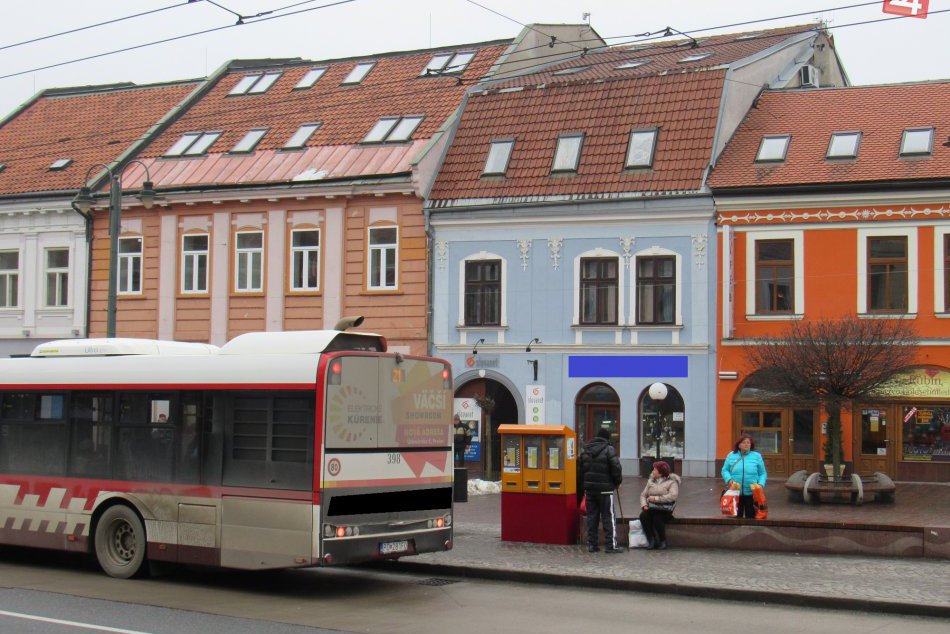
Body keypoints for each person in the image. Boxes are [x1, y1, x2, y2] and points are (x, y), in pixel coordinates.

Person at [579, 427, 623, 554]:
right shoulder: (609, 449)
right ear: (607, 438)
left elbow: (581, 470)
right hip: (605, 490)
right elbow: (616, 468)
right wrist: (617, 482)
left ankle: (592, 544)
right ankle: (611, 545)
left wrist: (586, 485)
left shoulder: (586, 450)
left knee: (592, 517)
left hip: (590, 490)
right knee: (608, 517)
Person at [721, 434, 767, 519]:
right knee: (735, 518)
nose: (746, 444)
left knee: (751, 517)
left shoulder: (756, 456)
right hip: (735, 493)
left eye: (748, 443)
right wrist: (729, 479)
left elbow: (762, 473)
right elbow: (725, 470)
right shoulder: (731, 455)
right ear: (739, 445)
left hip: (752, 493)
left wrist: (761, 484)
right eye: (744, 442)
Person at [639, 461, 680, 550]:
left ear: (661, 472)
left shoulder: (672, 482)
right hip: (652, 508)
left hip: (666, 509)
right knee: (643, 516)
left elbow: (673, 496)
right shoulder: (650, 481)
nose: (653, 471)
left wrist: (656, 499)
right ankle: (651, 540)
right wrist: (644, 505)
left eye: (655, 470)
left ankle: (663, 541)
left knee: (657, 518)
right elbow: (643, 495)